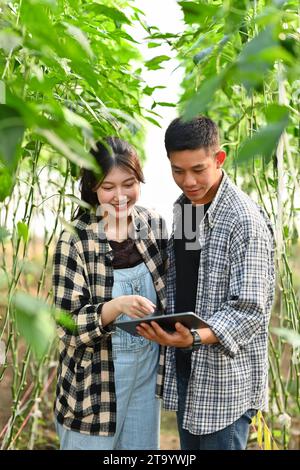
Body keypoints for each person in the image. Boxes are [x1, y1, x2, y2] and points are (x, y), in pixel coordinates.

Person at [137, 116, 275, 450]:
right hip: (189, 367)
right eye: (177, 170)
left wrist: (196, 337)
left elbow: (250, 311)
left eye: (198, 169)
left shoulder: (243, 220)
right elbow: (182, 279)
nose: (188, 181)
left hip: (224, 382)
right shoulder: (185, 210)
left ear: (219, 159)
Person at [52, 137, 167, 450]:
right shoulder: (75, 240)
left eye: (129, 184)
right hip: (94, 381)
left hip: (145, 376)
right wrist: (115, 307)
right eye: (108, 187)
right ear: (92, 188)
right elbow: (67, 325)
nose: (120, 196)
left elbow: (169, 292)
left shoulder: (153, 225)